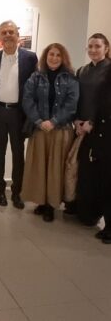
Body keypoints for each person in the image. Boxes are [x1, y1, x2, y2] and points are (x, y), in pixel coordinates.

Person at [21, 43, 79, 222]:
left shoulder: (71, 79)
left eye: (58, 55)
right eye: (51, 54)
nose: (54, 58)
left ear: (63, 58)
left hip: (60, 130)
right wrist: (39, 121)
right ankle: (40, 201)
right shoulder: (35, 77)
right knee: (39, 167)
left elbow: (71, 105)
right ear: (45, 57)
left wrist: (54, 121)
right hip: (39, 130)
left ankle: (51, 205)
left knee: (55, 169)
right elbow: (27, 100)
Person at [0, 20, 38, 209]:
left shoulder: (30, 58)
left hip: (19, 114)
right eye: (4, 32)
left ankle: (17, 192)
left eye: (11, 32)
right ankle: (0, 190)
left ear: (18, 35)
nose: (8, 35)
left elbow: (35, 88)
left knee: (18, 154)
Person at [74, 33, 111, 225]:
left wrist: (92, 122)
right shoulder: (81, 71)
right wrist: (76, 121)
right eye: (90, 46)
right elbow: (76, 98)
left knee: (102, 175)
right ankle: (84, 212)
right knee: (84, 172)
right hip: (81, 128)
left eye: (97, 46)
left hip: (103, 130)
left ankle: (103, 217)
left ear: (106, 48)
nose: (93, 50)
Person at [84, 67, 111, 243]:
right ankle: (108, 225)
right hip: (103, 139)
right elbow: (99, 110)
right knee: (105, 185)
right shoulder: (106, 81)